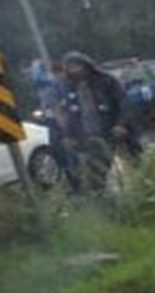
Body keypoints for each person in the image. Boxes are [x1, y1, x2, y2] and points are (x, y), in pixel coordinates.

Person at [58, 51, 135, 192]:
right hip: (90, 137)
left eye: (77, 65)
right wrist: (68, 135)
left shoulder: (106, 81)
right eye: (70, 67)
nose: (74, 70)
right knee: (97, 175)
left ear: (86, 65)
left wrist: (122, 124)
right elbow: (69, 114)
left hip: (113, 131)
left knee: (133, 165)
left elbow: (124, 103)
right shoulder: (69, 88)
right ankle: (106, 202)